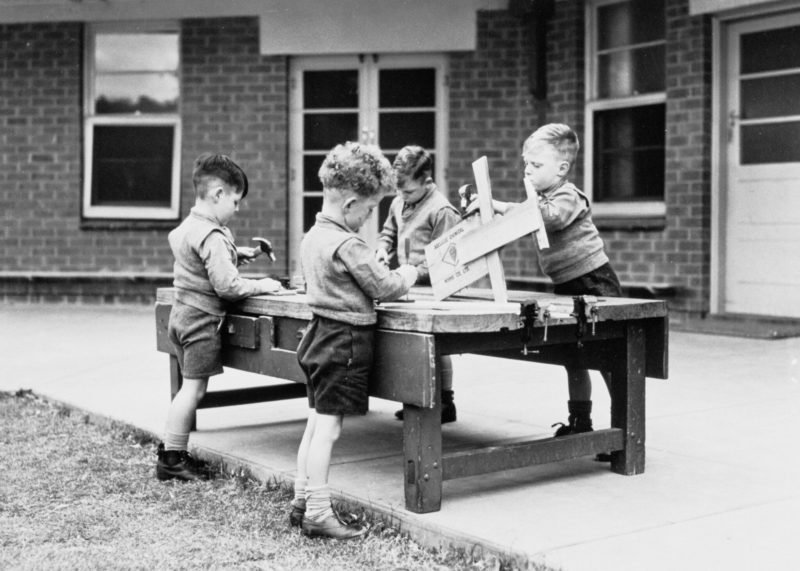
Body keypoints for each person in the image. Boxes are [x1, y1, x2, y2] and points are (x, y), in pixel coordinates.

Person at [468, 123, 621, 456]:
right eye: (526, 164)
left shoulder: (567, 196)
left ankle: (623, 428)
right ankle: (580, 421)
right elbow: (526, 221)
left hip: (594, 281)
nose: (528, 170)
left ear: (562, 168)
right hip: (567, 285)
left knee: (610, 359)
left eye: (536, 165)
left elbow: (546, 219)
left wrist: (501, 205)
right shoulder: (539, 200)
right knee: (575, 357)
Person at [291, 142, 418, 539]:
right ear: (349, 204)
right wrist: (409, 274)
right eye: (368, 209)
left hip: (317, 337)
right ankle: (317, 512)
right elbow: (383, 285)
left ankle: (301, 499)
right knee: (329, 431)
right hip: (343, 341)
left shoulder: (313, 236)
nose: (368, 218)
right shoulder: (348, 243)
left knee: (314, 425)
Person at [157, 153, 284, 482]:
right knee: (192, 391)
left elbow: (199, 260)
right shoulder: (213, 236)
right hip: (201, 322)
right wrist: (263, 286)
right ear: (217, 195)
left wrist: (239, 253)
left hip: (182, 315)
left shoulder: (189, 227)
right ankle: (171, 458)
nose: (237, 209)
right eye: (236, 201)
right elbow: (227, 286)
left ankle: (175, 453)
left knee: (189, 388)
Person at [375, 145, 460, 424]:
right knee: (408, 344)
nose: (403, 197)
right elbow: (388, 233)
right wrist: (381, 248)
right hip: (406, 283)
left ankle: (445, 402)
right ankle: (414, 399)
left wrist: (415, 273)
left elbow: (449, 261)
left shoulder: (442, 210)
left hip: (433, 286)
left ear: (427, 182)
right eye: (399, 192)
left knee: (435, 346)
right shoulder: (399, 203)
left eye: (409, 192)